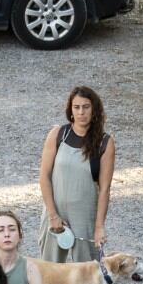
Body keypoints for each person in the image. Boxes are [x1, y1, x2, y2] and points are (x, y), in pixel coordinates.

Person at [37, 85, 116, 262]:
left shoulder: (105, 143)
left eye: (86, 107)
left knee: (88, 272)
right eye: (77, 107)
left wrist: (99, 227)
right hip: (55, 212)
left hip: (85, 215)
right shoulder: (58, 134)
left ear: (94, 109)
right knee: (51, 272)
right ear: (70, 110)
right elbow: (44, 177)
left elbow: (104, 190)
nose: (81, 112)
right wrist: (52, 215)